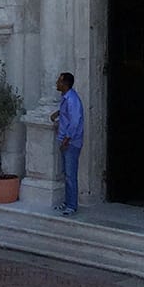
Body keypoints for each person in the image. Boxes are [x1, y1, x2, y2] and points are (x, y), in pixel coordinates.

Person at [49, 71, 84, 214]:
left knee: (70, 174)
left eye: (59, 81)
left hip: (71, 142)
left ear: (65, 84)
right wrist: (58, 113)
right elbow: (68, 114)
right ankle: (68, 201)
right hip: (65, 140)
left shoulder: (72, 99)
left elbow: (75, 122)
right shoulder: (66, 98)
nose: (57, 83)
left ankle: (72, 206)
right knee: (66, 173)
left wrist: (66, 139)